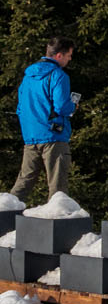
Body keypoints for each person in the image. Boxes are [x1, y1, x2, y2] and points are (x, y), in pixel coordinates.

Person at [12, 37, 77, 201]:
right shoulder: (58, 76)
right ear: (59, 55)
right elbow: (62, 106)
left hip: (31, 136)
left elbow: (20, 108)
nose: (70, 59)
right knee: (57, 187)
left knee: (24, 181)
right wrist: (73, 107)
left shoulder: (28, 77)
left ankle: (6, 212)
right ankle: (57, 220)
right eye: (69, 55)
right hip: (53, 136)